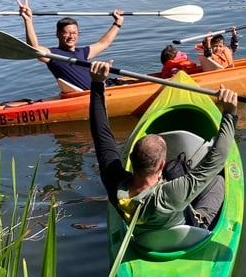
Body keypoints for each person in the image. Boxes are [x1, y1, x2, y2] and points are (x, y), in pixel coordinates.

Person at [88, 60, 238, 234]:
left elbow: (101, 136)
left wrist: (97, 84)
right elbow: (217, 158)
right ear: (161, 165)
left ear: (130, 159)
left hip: (145, 238)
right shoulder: (171, 194)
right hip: (188, 234)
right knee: (217, 180)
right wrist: (230, 113)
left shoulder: (113, 182)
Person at [17, 0, 124, 91]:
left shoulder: (82, 52)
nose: (71, 37)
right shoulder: (52, 55)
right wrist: (28, 20)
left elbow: (104, 43)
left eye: (74, 33)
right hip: (88, 95)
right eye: (67, 33)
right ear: (58, 34)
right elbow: (34, 49)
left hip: (106, 86)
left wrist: (117, 22)